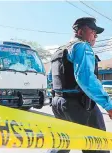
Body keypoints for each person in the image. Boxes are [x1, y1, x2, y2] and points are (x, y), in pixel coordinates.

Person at [47, 17, 112, 153]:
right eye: (93, 31)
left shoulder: (59, 51)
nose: (95, 35)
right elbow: (86, 79)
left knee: (61, 143)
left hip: (58, 103)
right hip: (79, 104)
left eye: (96, 33)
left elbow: (50, 79)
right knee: (98, 145)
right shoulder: (82, 46)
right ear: (81, 31)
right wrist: (109, 105)